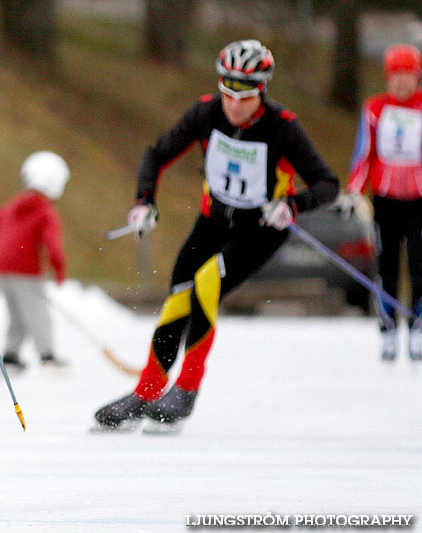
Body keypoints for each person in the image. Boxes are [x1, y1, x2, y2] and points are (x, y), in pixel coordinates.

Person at [94, 39, 338, 432]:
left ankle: (186, 391)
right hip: (213, 222)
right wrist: (144, 201)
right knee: (178, 298)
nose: (234, 104)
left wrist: (293, 206)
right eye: (227, 92)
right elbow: (156, 154)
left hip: (260, 229)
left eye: (244, 96)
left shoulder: (283, 128)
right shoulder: (207, 113)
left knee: (207, 283)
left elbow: (328, 184)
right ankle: (147, 391)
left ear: (261, 91)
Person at [342, 43, 422, 361]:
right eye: (395, 76)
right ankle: (388, 329)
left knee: (418, 265)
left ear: (417, 78)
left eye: (408, 75)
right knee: (386, 265)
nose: (401, 82)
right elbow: (365, 152)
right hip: (386, 198)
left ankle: (417, 327)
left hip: (419, 199)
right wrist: (353, 189)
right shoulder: (375, 108)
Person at [0, 151, 70, 370]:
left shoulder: (9, 207)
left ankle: (11, 356)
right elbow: (52, 243)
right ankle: (47, 356)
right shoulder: (44, 211)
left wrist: (0, 259)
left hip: (3, 268)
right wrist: (59, 268)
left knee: (17, 313)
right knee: (38, 312)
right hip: (27, 270)